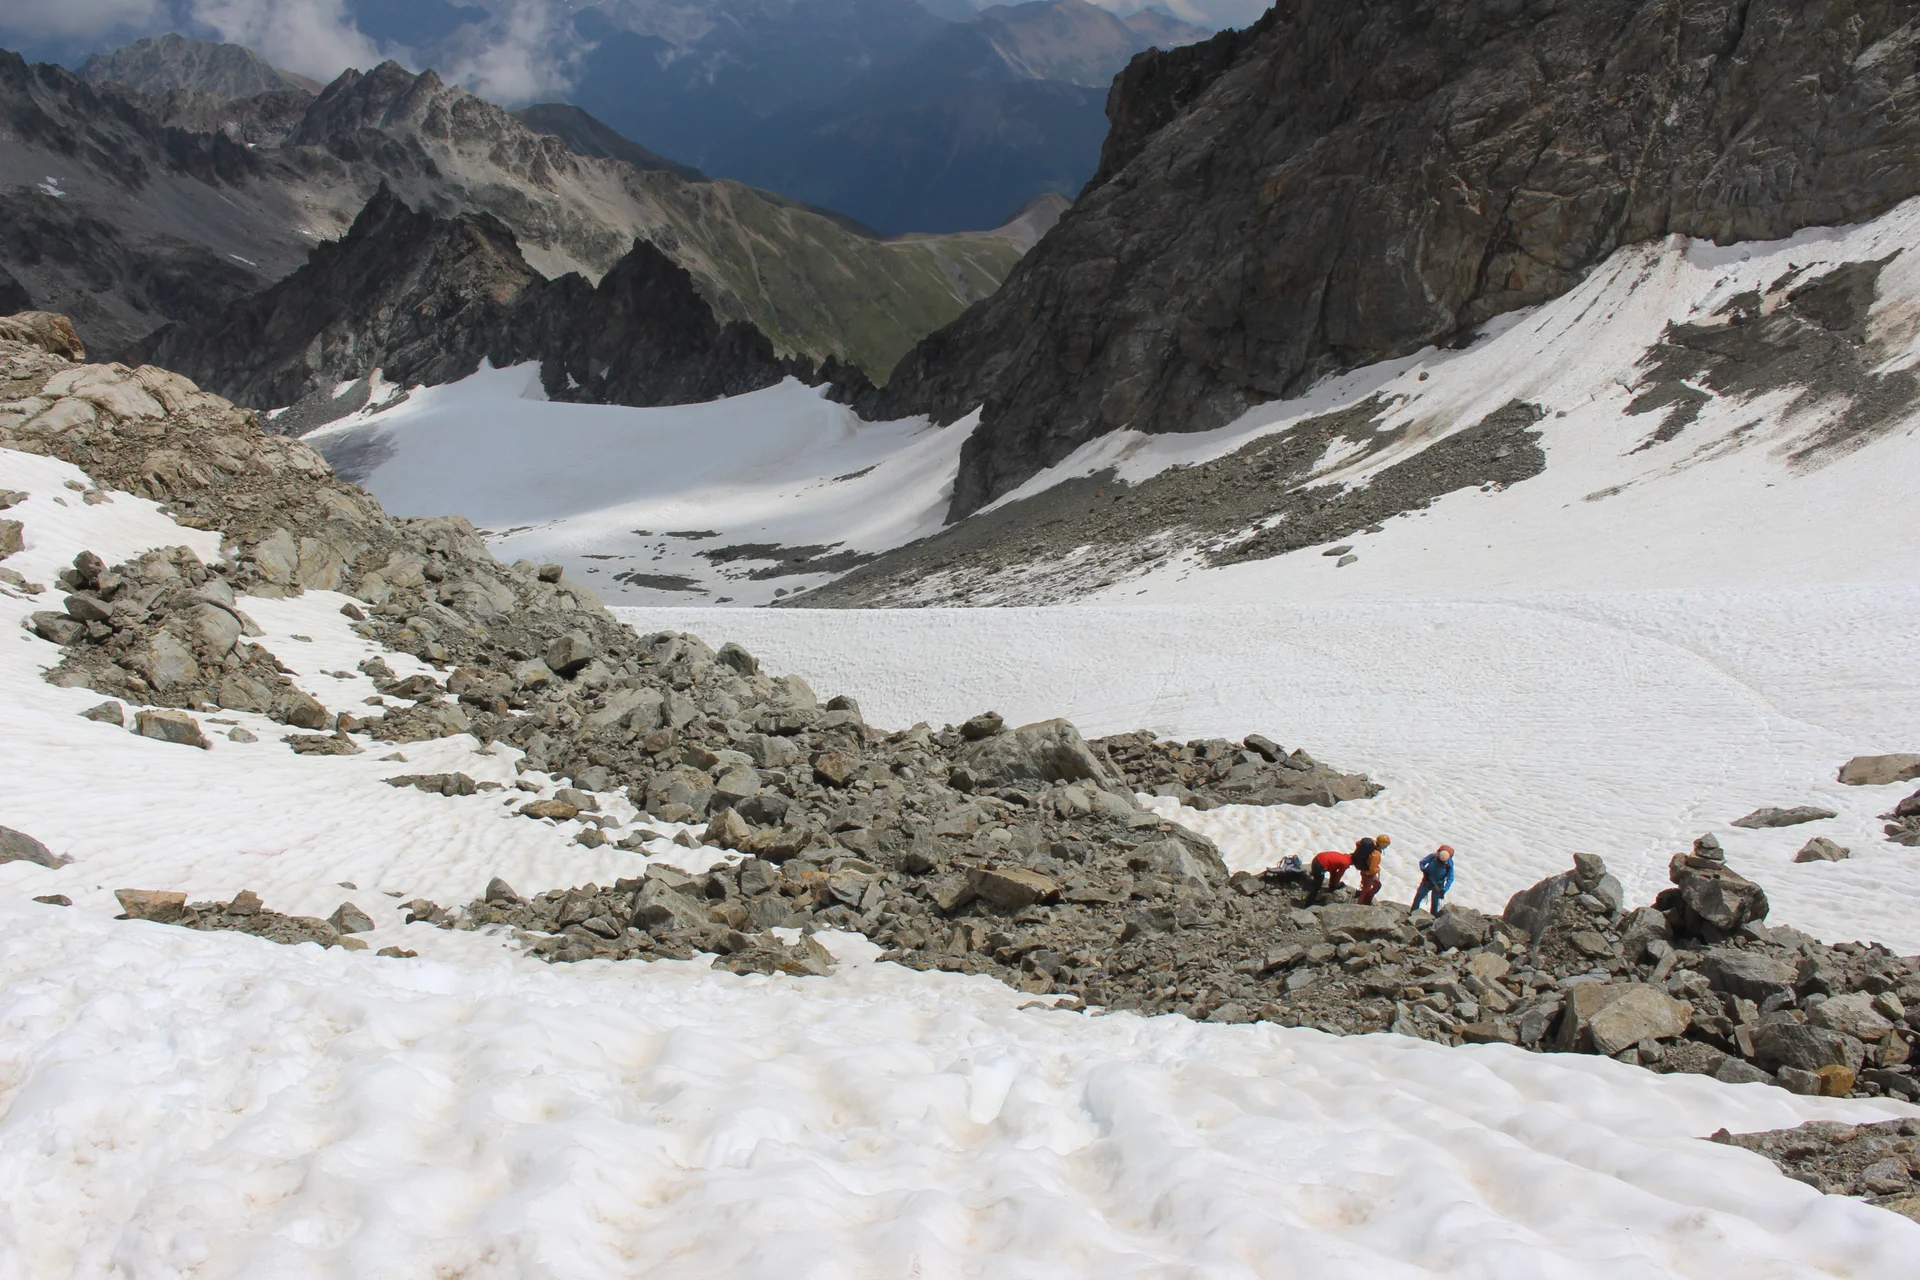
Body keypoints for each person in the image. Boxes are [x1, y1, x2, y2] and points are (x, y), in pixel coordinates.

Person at [1411, 844, 1455, 915]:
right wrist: (1424, 870)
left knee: (1435, 902)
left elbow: (1450, 878)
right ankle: (1412, 913)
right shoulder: (1433, 856)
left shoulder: (1449, 864)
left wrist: (1444, 890)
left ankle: (1433, 917)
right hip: (1427, 881)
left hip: (1438, 885)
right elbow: (1422, 863)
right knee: (1418, 897)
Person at [1353, 834, 1387, 905]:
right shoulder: (1376, 855)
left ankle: (1364, 899)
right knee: (1367, 889)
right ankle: (1361, 903)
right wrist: (1378, 869)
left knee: (1369, 887)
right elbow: (1372, 870)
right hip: (1368, 874)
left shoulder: (1372, 844)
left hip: (1364, 871)